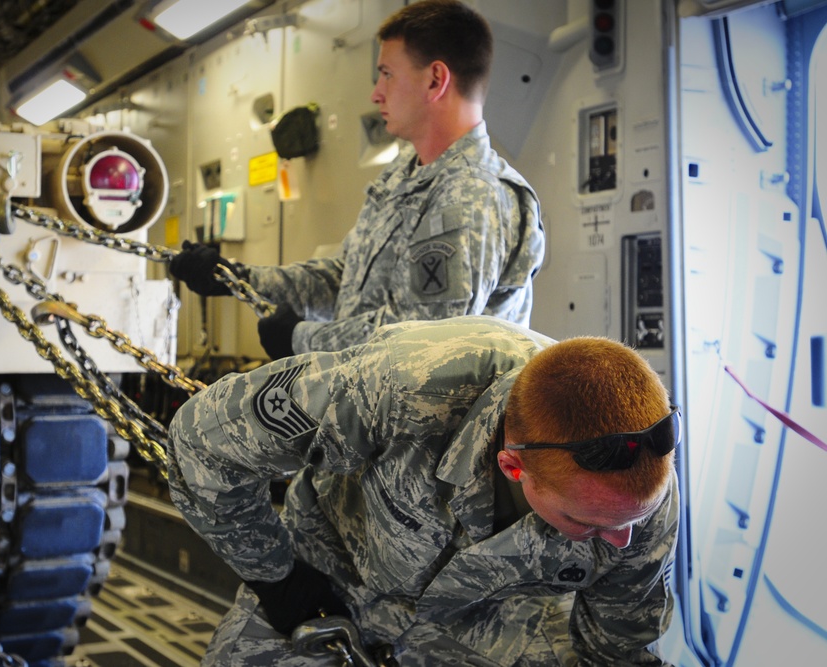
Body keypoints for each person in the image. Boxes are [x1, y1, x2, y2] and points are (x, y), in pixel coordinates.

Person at [166, 315, 681, 666]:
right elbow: (201, 441)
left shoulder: (635, 494)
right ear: (512, 466)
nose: (619, 540)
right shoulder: (404, 386)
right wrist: (276, 577)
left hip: (487, 622)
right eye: (587, 524)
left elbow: (616, 645)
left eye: (628, 523)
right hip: (336, 580)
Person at [168, 0, 546, 360]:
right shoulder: (403, 176)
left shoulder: (473, 193)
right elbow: (341, 277)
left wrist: (301, 338)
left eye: (386, 74)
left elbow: (423, 339)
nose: (376, 93)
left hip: (434, 428)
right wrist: (238, 277)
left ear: (435, 80)